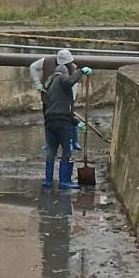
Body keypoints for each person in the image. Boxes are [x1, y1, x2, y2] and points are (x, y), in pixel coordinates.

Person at [41, 50, 92, 189]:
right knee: (66, 151)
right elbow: (70, 81)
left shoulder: (49, 84)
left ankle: (48, 181)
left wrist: (77, 122)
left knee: (51, 150)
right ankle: (64, 181)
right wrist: (81, 71)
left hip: (50, 122)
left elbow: (54, 107)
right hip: (62, 123)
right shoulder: (62, 78)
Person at [30, 50, 82, 152]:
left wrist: (71, 100)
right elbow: (33, 67)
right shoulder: (46, 62)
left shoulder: (72, 68)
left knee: (70, 120)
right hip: (48, 98)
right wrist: (37, 83)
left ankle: (73, 141)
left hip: (64, 101)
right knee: (48, 119)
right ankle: (49, 143)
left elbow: (73, 85)